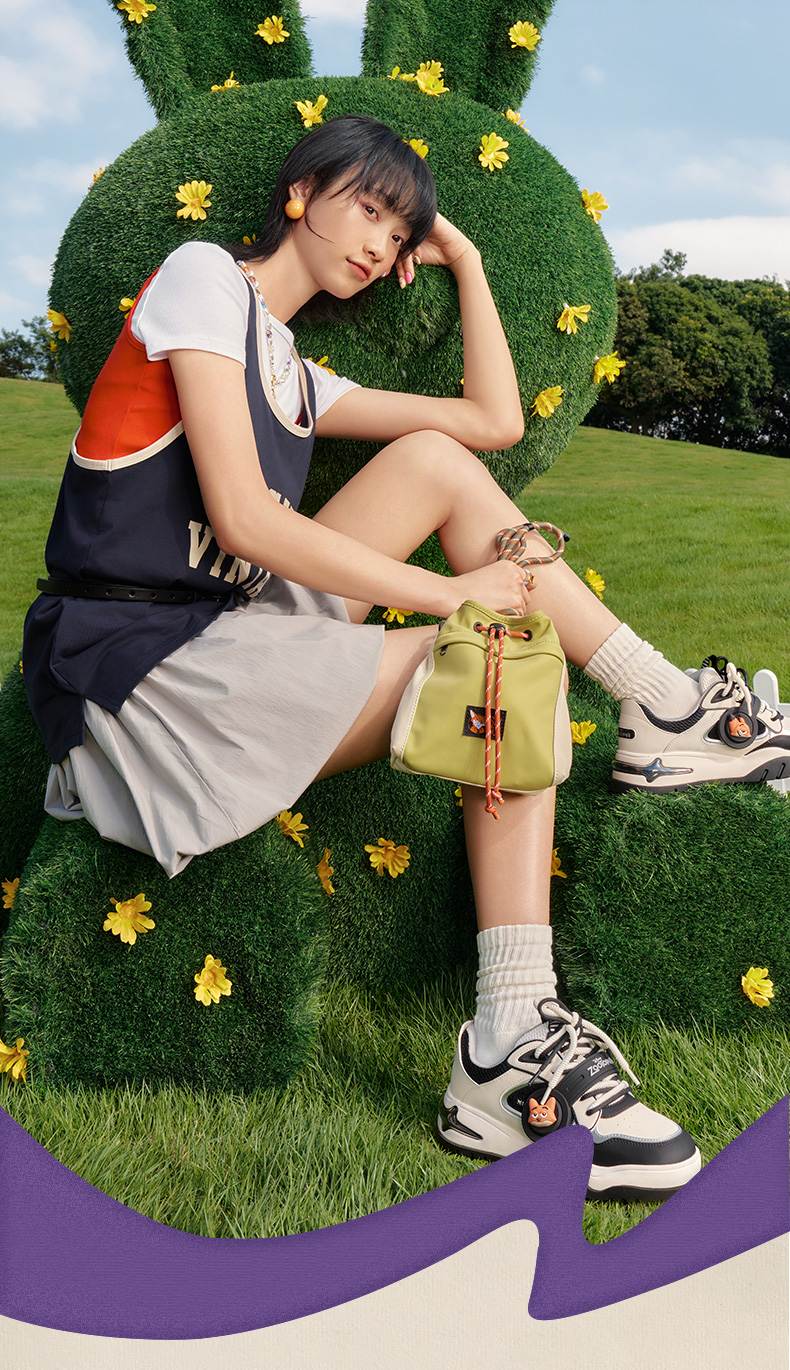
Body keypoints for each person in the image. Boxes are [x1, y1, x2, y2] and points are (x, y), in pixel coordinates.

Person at [23, 115, 788, 1201]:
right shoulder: (202, 278)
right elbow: (243, 518)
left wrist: (464, 258)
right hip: (134, 680)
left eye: (401, 230)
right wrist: (450, 596)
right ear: (300, 193)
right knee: (500, 657)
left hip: (220, 636)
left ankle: (662, 708)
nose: (383, 243)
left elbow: (492, 420)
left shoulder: (291, 372)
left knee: (433, 459)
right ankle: (506, 1049)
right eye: (371, 208)